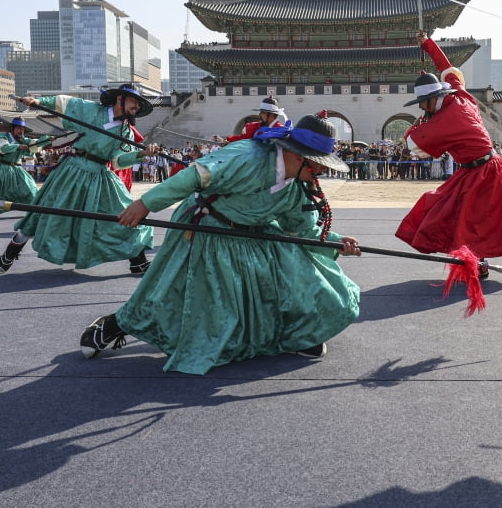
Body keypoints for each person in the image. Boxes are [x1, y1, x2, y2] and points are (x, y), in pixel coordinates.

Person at [78, 113, 362, 374]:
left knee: (290, 280)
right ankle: (116, 325)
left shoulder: (298, 187)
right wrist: (144, 204)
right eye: (319, 164)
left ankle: (296, 334)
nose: (321, 172)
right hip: (207, 226)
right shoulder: (246, 156)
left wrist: (335, 243)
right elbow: (193, 177)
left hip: (254, 235)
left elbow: (299, 230)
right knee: (170, 292)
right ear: (300, 157)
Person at [395, 32, 502, 277]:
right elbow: (447, 68)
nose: (420, 107)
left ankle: (480, 263)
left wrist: (419, 122)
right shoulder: (459, 95)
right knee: (456, 210)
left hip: (484, 172)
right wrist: (428, 44)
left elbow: (412, 144)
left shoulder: (447, 119)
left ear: (432, 99)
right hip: (478, 168)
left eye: (421, 103)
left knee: (473, 220)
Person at [3, 84, 155, 274]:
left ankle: (137, 260)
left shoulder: (127, 132)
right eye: (134, 101)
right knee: (46, 209)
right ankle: (13, 248)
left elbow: (117, 162)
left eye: (139, 104)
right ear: (119, 99)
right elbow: (64, 103)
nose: (137, 107)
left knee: (123, 212)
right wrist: (38, 101)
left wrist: (140, 155)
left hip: (100, 175)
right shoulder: (91, 110)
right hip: (72, 170)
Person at [0, 118, 51, 218]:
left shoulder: (24, 140)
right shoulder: (3, 136)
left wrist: (47, 139)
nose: (21, 131)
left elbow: (35, 144)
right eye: (18, 128)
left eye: (22, 129)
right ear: (12, 129)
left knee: (30, 187)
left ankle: (37, 209)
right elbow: (3, 148)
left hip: (16, 169)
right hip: (0, 169)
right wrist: (18, 147)